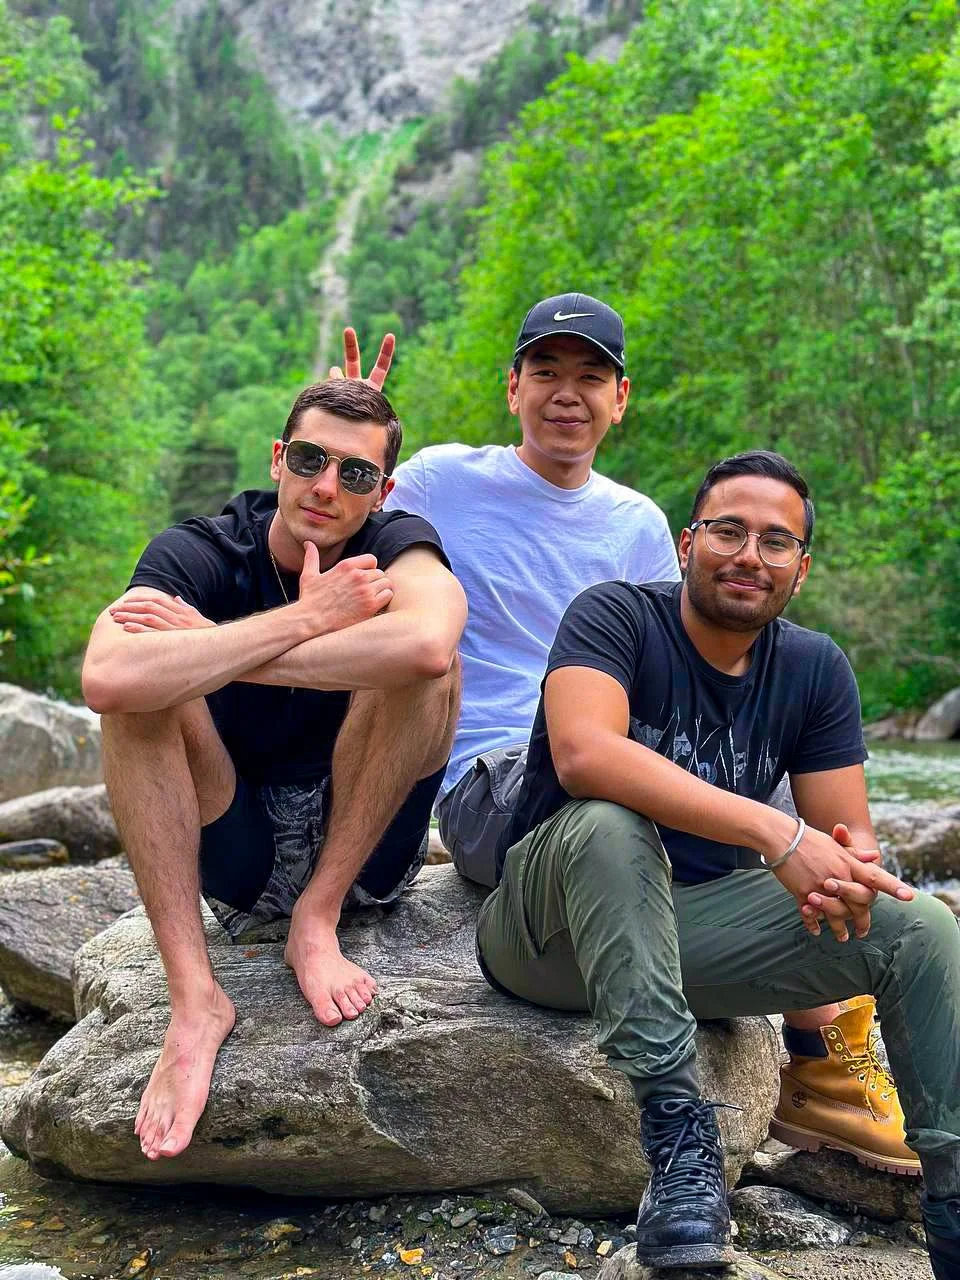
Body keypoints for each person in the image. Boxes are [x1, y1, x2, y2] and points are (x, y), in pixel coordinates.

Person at [382, 294, 920, 1178]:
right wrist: (351, 431)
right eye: (546, 372)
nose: (567, 393)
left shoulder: (637, 523)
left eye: (590, 376)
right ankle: (795, 1067)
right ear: (512, 385)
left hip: (626, 755)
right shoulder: (442, 478)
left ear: (620, 399)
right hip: (498, 775)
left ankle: (824, 1062)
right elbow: (334, 509)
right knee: (697, 808)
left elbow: (686, 675)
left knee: (783, 787)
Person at [474, 450, 960, 1275]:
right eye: (728, 530)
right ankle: (679, 1151)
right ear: (684, 543)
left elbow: (847, 843)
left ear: (799, 571)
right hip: (550, 934)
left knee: (920, 924)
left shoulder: (813, 668)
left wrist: (845, 877)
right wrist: (779, 837)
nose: (749, 555)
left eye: (777, 542)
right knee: (609, 823)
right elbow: (586, 753)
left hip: (689, 936)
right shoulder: (615, 617)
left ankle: (949, 1199)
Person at [81, 376, 466, 1163]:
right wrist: (308, 618)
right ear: (278, 457)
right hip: (241, 851)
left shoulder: (398, 542)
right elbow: (107, 677)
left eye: (355, 473)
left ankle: (315, 922)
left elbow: (428, 642)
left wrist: (222, 654)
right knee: (140, 697)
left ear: (382, 490)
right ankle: (195, 1002)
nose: (327, 486)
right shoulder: (201, 549)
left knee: (434, 672)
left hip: (365, 856)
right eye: (309, 458)